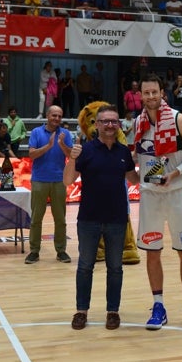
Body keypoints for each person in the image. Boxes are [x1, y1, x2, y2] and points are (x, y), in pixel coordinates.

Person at [134, 74, 182, 332]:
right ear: (140, 95)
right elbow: (137, 158)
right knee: (153, 254)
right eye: (146, 93)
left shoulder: (179, 119)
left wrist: (175, 173)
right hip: (150, 197)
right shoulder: (138, 124)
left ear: (162, 93)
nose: (151, 97)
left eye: (155, 92)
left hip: (176, 194)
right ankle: (158, 306)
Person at [64, 105, 140, 330]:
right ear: (96, 125)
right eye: (105, 121)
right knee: (85, 267)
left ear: (119, 125)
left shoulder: (123, 152)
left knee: (115, 268)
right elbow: (67, 181)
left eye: (113, 121)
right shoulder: (85, 150)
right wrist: (71, 159)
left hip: (117, 219)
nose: (109, 125)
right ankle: (81, 311)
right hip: (89, 219)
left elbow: (134, 179)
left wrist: (152, 164)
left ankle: (113, 311)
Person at [25, 105, 73, 265]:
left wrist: (62, 145)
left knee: (60, 218)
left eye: (59, 116)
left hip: (59, 180)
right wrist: (48, 146)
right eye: (54, 115)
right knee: (36, 218)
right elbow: (31, 154)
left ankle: (61, 251)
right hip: (39, 180)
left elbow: (71, 156)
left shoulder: (65, 134)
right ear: (47, 116)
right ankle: (34, 251)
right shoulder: (36, 132)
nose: (57, 119)